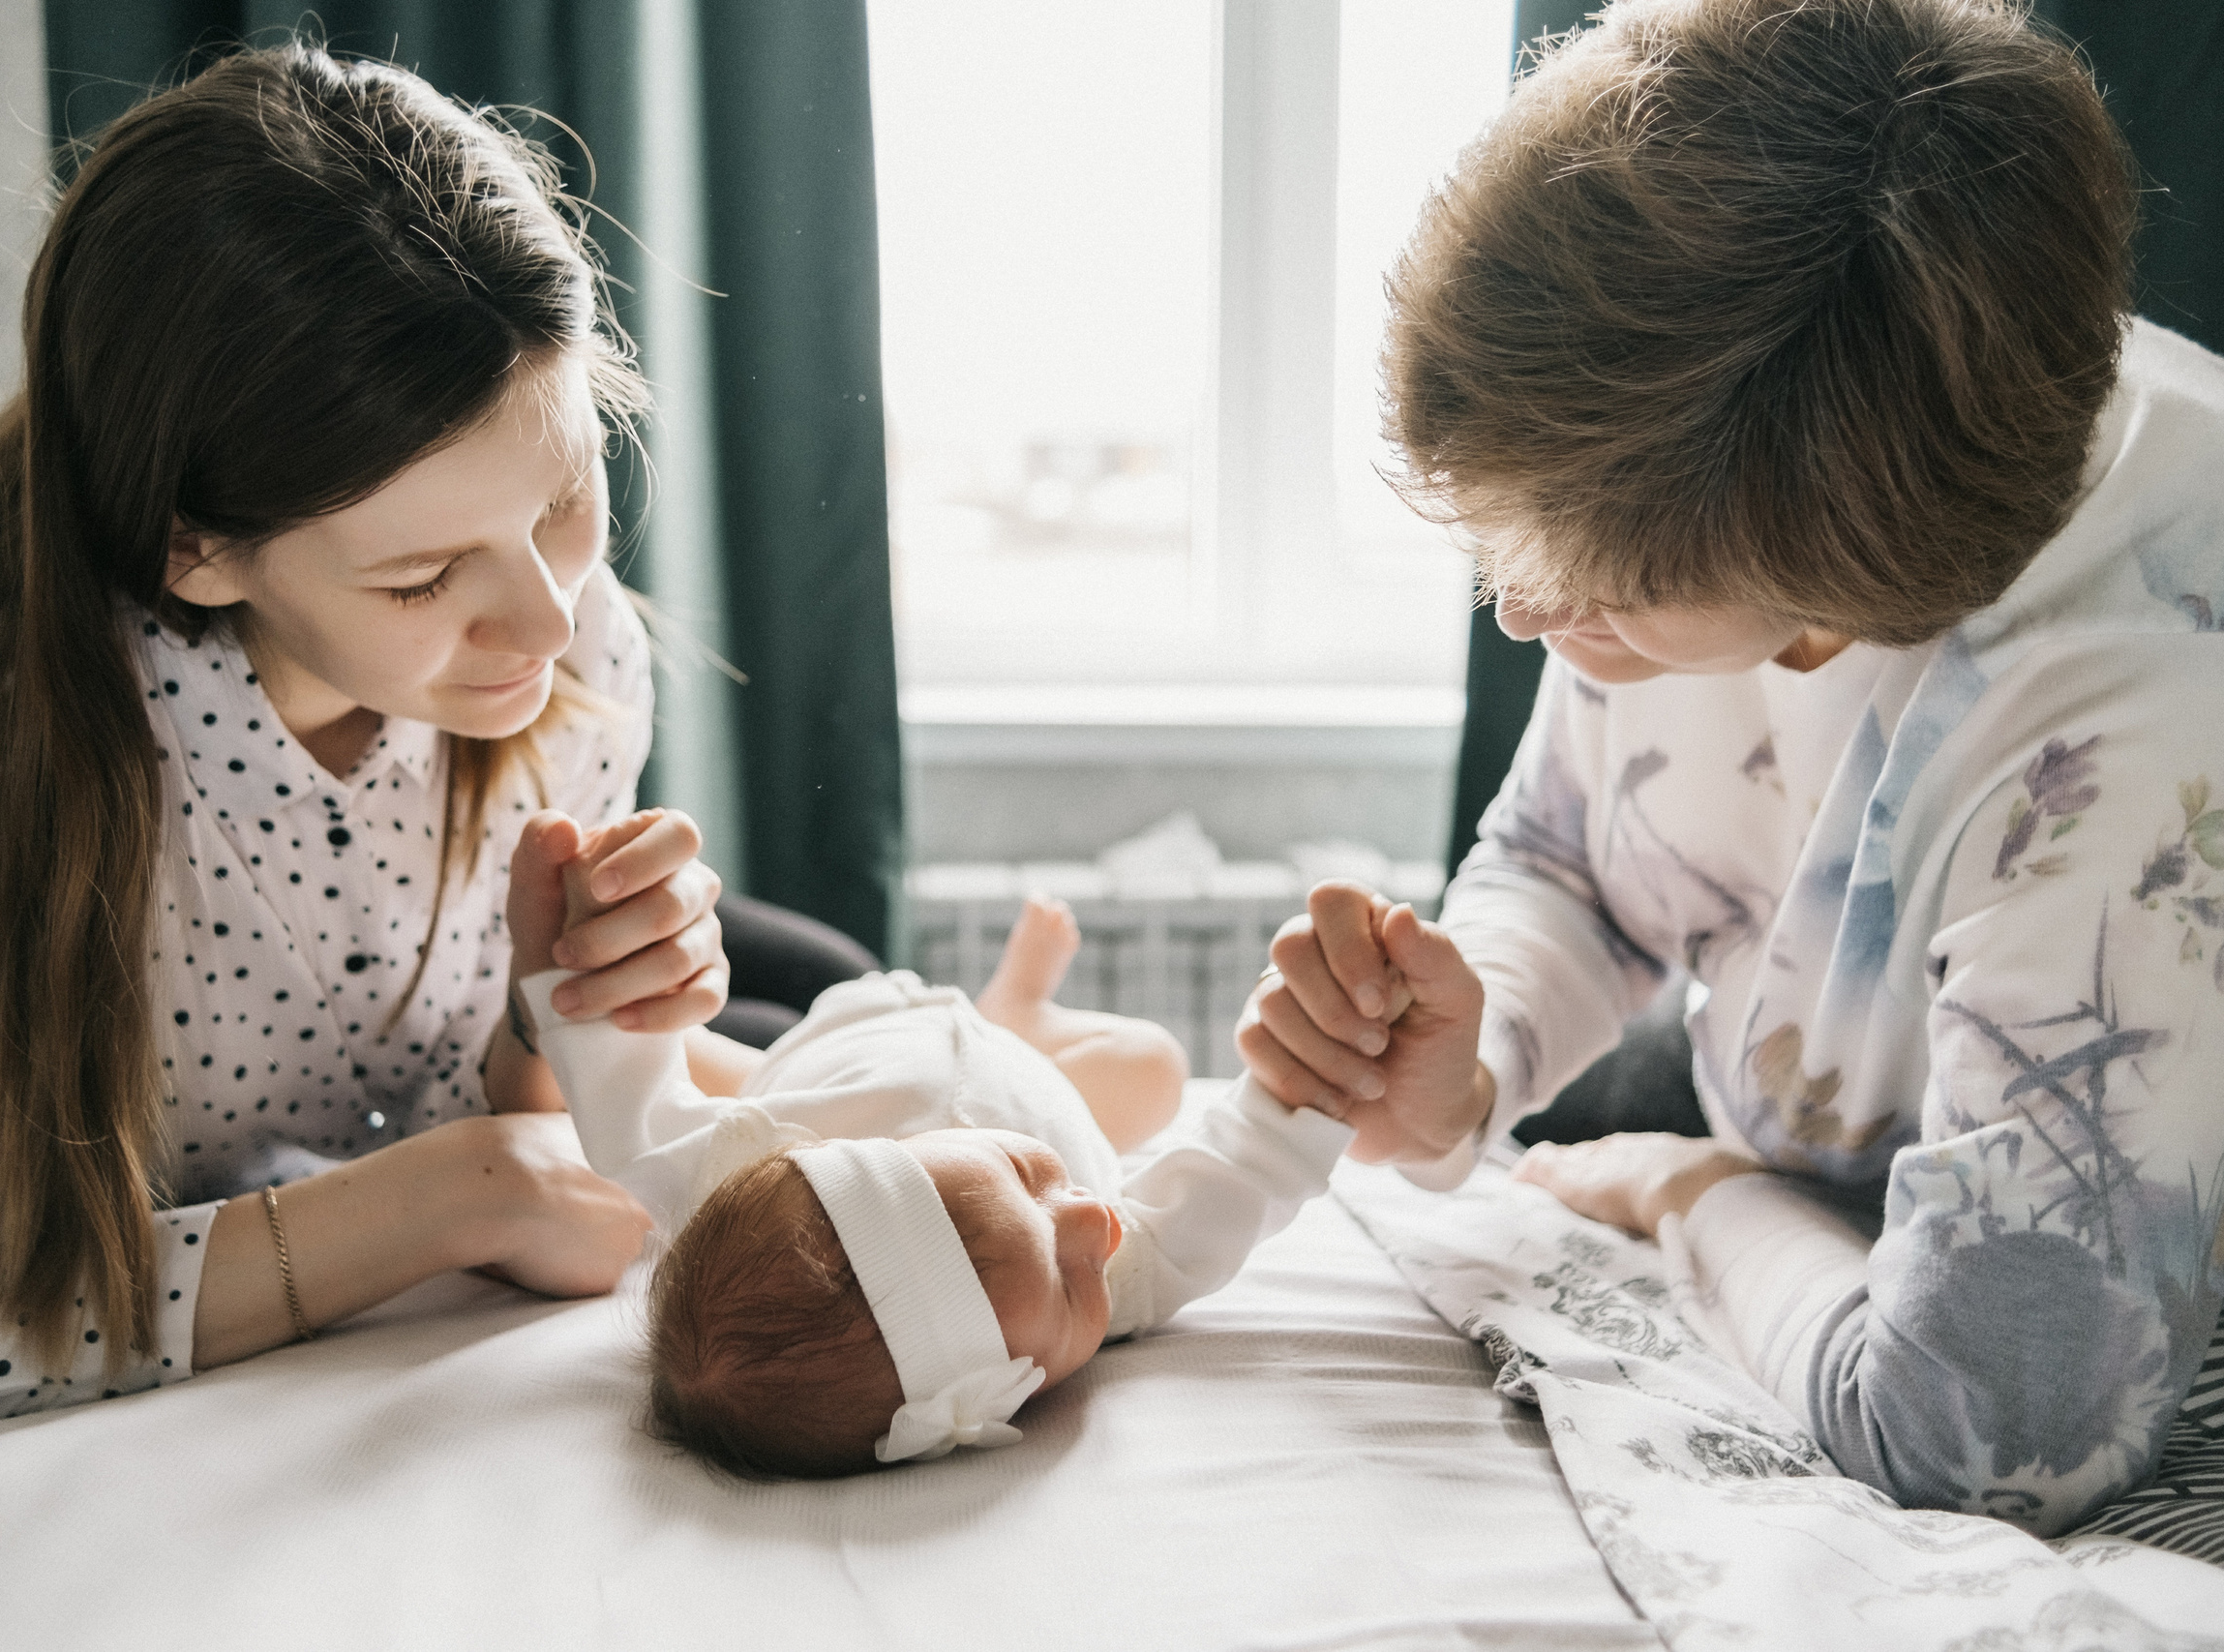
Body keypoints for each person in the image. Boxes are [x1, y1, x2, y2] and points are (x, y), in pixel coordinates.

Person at [1241, 0, 2224, 1539]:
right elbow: (1570, 859)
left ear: (1843, 598)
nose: (1524, 617)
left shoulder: (2133, 744)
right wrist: (1470, 1055)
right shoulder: (1690, 500)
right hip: (1827, 1100)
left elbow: (1981, 1434)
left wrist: (1685, 1191)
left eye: (1596, 591)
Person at [0, 45, 746, 1441]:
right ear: (199, 550)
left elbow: (507, 1125)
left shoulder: (568, 644)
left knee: (853, 1034)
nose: (550, 613)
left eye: (567, 493)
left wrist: (556, 1010)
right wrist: (443, 1197)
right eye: (421, 579)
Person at [518, 870, 1356, 1478]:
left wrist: (567, 952)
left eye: (1028, 1184)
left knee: (709, 1060)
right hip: (1033, 1074)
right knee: (1155, 1065)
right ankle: (1014, 1016)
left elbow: (629, 1108)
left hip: (833, 1051)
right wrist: (1314, 1084)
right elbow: (1239, 1175)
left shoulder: (745, 1168)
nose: (1095, 1223)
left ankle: (1004, 1010)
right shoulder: (1121, 1277)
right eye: (1070, 1287)